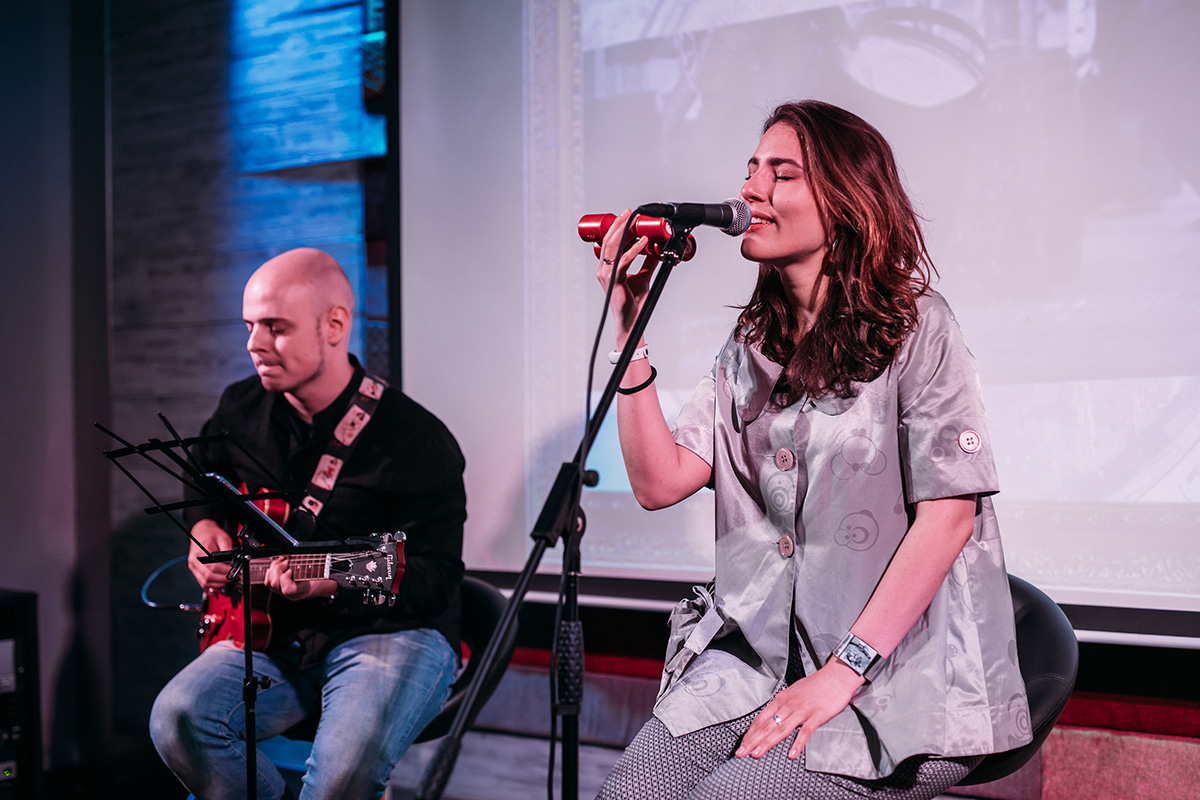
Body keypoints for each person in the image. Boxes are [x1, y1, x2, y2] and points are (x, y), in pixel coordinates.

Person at [593, 101, 1031, 800]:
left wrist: (842, 672)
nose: (752, 189)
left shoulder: (921, 328)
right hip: (756, 666)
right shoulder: (749, 344)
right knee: (629, 793)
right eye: (751, 170)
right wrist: (629, 328)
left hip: (898, 678)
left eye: (783, 173)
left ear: (846, 200)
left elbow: (949, 518)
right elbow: (659, 482)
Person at [150, 248, 467, 800]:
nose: (254, 344)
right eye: (249, 326)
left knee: (340, 777)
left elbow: (434, 576)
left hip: (391, 630)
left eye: (275, 327)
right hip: (276, 631)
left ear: (334, 326)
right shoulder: (241, 408)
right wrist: (203, 528)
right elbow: (202, 473)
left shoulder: (416, 440)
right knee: (178, 720)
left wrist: (329, 580)